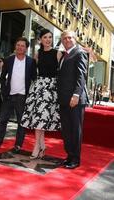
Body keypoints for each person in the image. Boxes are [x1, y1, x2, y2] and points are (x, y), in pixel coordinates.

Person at [0, 37, 37, 153]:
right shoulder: (9, 60)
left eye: (22, 45)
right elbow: (3, 76)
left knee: (21, 122)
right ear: (15, 46)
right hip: (9, 96)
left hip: (23, 96)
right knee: (3, 120)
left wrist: (31, 95)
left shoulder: (31, 62)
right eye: (18, 45)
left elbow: (34, 78)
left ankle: (18, 145)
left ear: (26, 48)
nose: (20, 47)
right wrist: (4, 91)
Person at [21, 29, 62, 159]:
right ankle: (41, 146)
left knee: (41, 118)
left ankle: (37, 147)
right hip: (38, 87)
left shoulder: (58, 53)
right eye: (45, 37)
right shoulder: (37, 53)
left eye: (50, 37)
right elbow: (33, 72)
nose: (48, 39)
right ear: (40, 39)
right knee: (38, 118)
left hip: (50, 89)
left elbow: (62, 73)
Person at [57, 30, 89, 169]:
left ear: (75, 39)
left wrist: (76, 95)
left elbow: (81, 76)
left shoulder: (79, 52)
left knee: (75, 130)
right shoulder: (64, 55)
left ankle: (75, 159)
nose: (67, 40)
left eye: (70, 37)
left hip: (75, 99)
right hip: (64, 99)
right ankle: (69, 156)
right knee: (66, 130)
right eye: (64, 38)